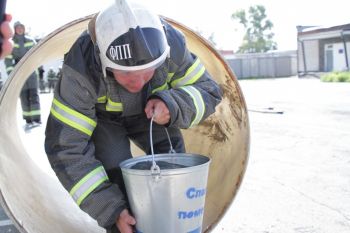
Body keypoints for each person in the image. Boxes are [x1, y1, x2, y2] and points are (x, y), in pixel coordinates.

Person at [44, 0, 222, 232]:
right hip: (103, 120)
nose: (137, 82)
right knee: (114, 165)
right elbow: (67, 147)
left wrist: (174, 104)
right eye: (126, 74)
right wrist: (111, 210)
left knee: (172, 162)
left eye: (148, 71)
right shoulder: (81, 69)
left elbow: (208, 90)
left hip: (153, 110)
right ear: (102, 61)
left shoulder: (173, 46)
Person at [4, 21, 41, 128]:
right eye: (18, 28)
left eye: (21, 27)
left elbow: (37, 55)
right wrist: (12, 74)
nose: (20, 29)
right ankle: (28, 120)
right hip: (19, 74)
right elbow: (8, 60)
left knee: (34, 96)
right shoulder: (12, 43)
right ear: (14, 29)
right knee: (24, 97)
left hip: (31, 72)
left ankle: (36, 119)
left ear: (24, 29)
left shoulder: (30, 41)